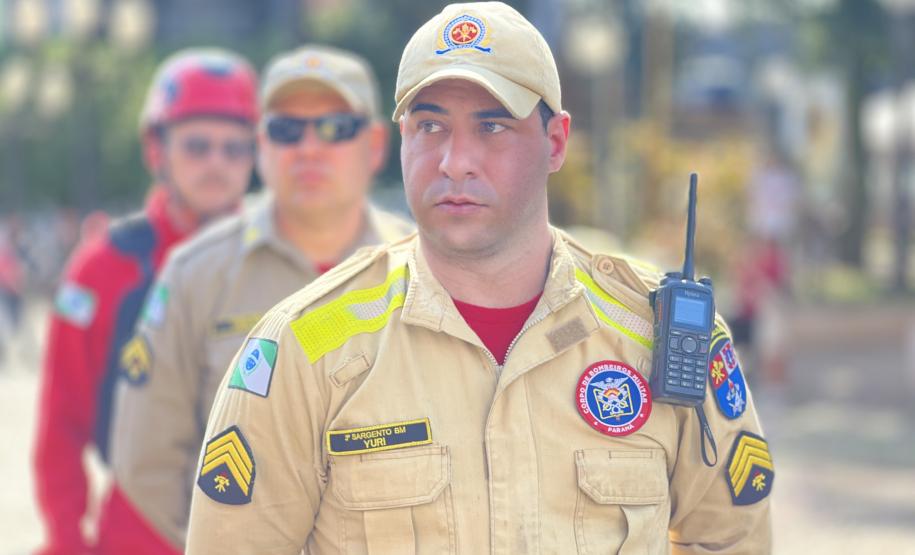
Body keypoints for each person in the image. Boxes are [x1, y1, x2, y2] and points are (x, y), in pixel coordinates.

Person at [186, 3, 773, 553]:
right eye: (430, 127)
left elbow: (733, 536)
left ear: (556, 141)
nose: (454, 160)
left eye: (492, 127)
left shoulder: (652, 333)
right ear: (401, 141)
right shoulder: (305, 348)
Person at [109, 44, 414, 552]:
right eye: (286, 130)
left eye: (336, 128)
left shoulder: (420, 268)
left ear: (377, 145)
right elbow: (147, 459)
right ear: (261, 146)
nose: (309, 149)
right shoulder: (195, 273)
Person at [32, 48, 258, 555]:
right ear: (157, 151)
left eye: (234, 149)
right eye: (197, 146)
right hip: (139, 534)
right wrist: (68, 540)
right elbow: (60, 427)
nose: (217, 164)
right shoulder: (102, 269)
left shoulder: (286, 261)